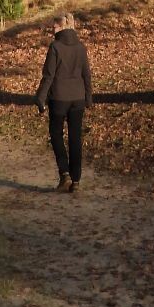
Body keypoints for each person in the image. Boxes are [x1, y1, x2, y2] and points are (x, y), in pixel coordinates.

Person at [35, 11, 92, 192]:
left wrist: (40, 98)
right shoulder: (81, 47)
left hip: (59, 98)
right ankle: (76, 181)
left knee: (56, 134)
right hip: (78, 98)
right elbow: (86, 75)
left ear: (62, 27)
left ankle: (65, 174)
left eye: (55, 26)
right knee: (75, 138)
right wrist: (88, 97)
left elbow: (48, 75)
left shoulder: (55, 47)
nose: (53, 29)